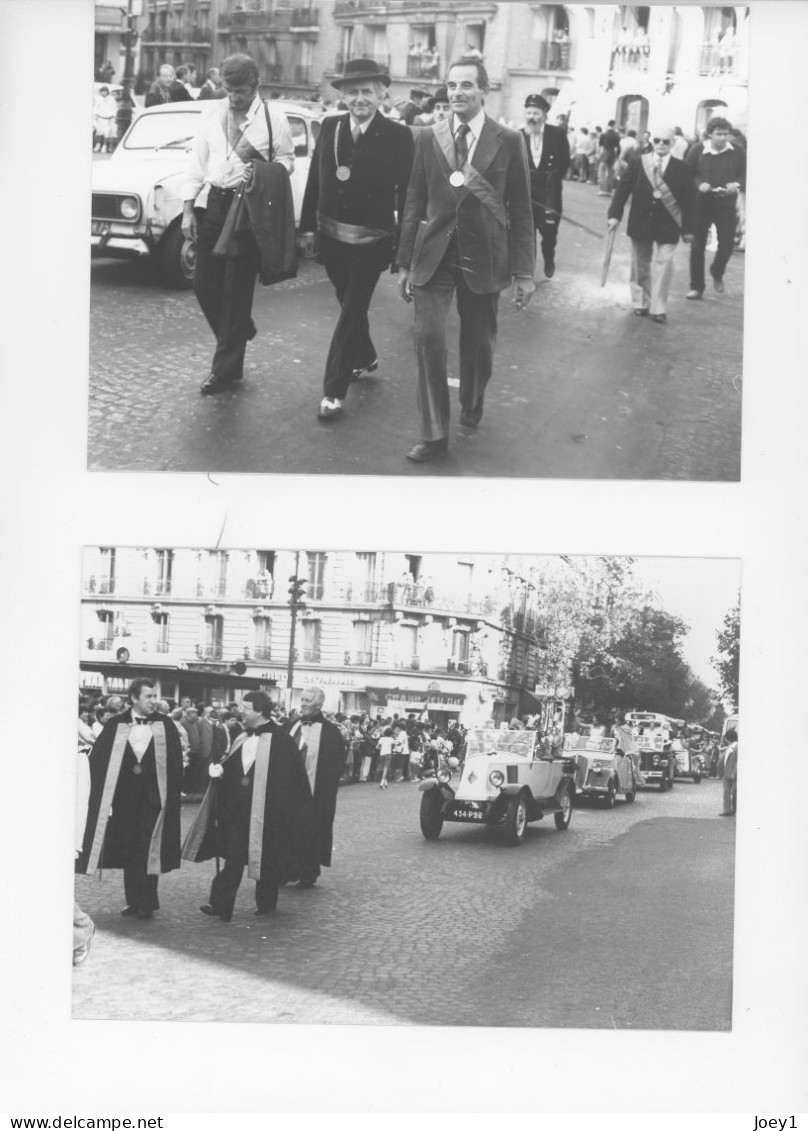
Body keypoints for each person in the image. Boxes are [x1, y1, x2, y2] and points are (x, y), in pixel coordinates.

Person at [397, 57, 536, 462]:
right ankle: (434, 434)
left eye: (466, 86)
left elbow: (521, 209)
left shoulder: (508, 139)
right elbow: (413, 203)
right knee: (428, 340)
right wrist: (405, 262)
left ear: (483, 91)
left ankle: (472, 400)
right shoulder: (427, 137)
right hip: (434, 255)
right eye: (452, 85)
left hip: (484, 257)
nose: (456, 92)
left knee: (478, 344)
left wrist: (524, 272)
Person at [299, 58, 414, 422]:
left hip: (372, 241)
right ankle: (365, 356)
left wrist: (404, 249)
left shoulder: (398, 135)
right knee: (346, 299)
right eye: (352, 92)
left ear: (382, 94)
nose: (359, 99)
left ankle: (333, 391)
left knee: (351, 311)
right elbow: (315, 181)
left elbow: (408, 195)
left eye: (367, 91)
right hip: (331, 239)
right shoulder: (330, 127)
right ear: (342, 96)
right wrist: (306, 229)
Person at [181, 53, 295, 395]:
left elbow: (287, 162)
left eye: (241, 91)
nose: (234, 98)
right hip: (215, 203)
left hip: (249, 208)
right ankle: (240, 328)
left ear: (256, 85)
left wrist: (261, 171)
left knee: (237, 291)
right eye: (229, 90)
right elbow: (196, 164)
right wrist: (188, 210)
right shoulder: (212, 114)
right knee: (204, 285)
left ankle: (226, 370)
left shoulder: (275, 118)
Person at [184, 691, 320, 921]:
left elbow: (291, 782)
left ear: (259, 711)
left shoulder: (281, 740)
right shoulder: (242, 736)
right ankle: (221, 904)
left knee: (267, 858)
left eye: (246, 708)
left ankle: (266, 904)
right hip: (238, 810)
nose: (241, 712)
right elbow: (234, 767)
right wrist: (219, 773)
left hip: (268, 812)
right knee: (233, 857)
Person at [75, 679, 184, 920]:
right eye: (148, 696)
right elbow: (100, 764)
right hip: (124, 803)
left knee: (148, 850)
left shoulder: (165, 725)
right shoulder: (115, 725)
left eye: (154, 695)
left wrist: (173, 795)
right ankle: (133, 901)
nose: (154, 700)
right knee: (131, 851)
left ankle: (147, 901)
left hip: (154, 801)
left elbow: (176, 764)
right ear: (134, 698)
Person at [607, 126, 695, 324]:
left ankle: (658, 307)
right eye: (657, 140)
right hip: (641, 220)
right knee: (640, 264)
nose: (661, 145)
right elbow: (623, 190)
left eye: (665, 141)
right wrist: (614, 215)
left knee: (664, 266)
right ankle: (640, 302)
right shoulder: (639, 162)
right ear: (651, 142)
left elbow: (690, 200)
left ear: (672, 143)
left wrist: (689, 229)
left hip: (669, 223)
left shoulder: (683, 168)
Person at [286, 687, 345, 886]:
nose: (303, 703)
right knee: (288, 831)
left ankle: (308, 871)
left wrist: (323, 794)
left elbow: (335, 767)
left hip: (315, 793)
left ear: (319, 705)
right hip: (290, 791)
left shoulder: (331, 733)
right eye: (302, 699)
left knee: (310, 832)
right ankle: (286, 869)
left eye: (308, 700)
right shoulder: (290, 726)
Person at [685, 116, 746, 299]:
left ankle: (717, 271)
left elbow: (745, 175)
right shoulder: (697, 150)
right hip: (702, 204)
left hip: (726, 204)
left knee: (727, 244)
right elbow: (688, 174)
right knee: (697, 247)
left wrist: (736, 185)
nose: (722, 138)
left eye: (725, 134)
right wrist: (699, 184)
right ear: (710, 134)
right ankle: (697, 287)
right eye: (718, 134)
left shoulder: (738, 151)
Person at [520, 93, 571, 278]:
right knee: (527, 232)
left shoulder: (557, 134)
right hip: (527, 191)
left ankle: (549, 258)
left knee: (549, 233)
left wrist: (552, 180)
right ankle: (528, 270)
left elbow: (565, 162)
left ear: (544, 115)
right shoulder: (519, 135)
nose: (531, 117)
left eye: (535, 113)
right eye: (528, 113)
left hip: (550, 191)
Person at [597, 119, 621, 195]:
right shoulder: (617, 135)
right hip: (612, 153)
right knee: (610, 172)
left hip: (605, 152)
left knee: (602, 171)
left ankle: (603, 189)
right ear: (614, 125)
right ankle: (609, 190)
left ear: (608, 125)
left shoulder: (604, 134)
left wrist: (599, 154)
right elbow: (618, 147)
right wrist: (617, 157)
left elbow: (600, 145)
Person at [93, 86, 118, 153]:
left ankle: (104, 146)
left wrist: (113, 117)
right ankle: (98, 145)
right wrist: (96, 115)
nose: (103, 93)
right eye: (102, 91)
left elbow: (115, 108)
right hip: (100, 118)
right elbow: (96, 108)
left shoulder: (111, 99)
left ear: (107, 92)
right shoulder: (99, 99)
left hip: (109, 119)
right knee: (99, 132)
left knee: (106, 133)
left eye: (105, 91)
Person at [720, 728, 738, 815]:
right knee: (726, 793)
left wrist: (734, 772)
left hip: (733, 774)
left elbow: (738, 762)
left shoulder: (737, 747)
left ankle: (734, 810)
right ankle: (726, 810)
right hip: (726, 773)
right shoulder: (729, 747)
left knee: (735, 792)